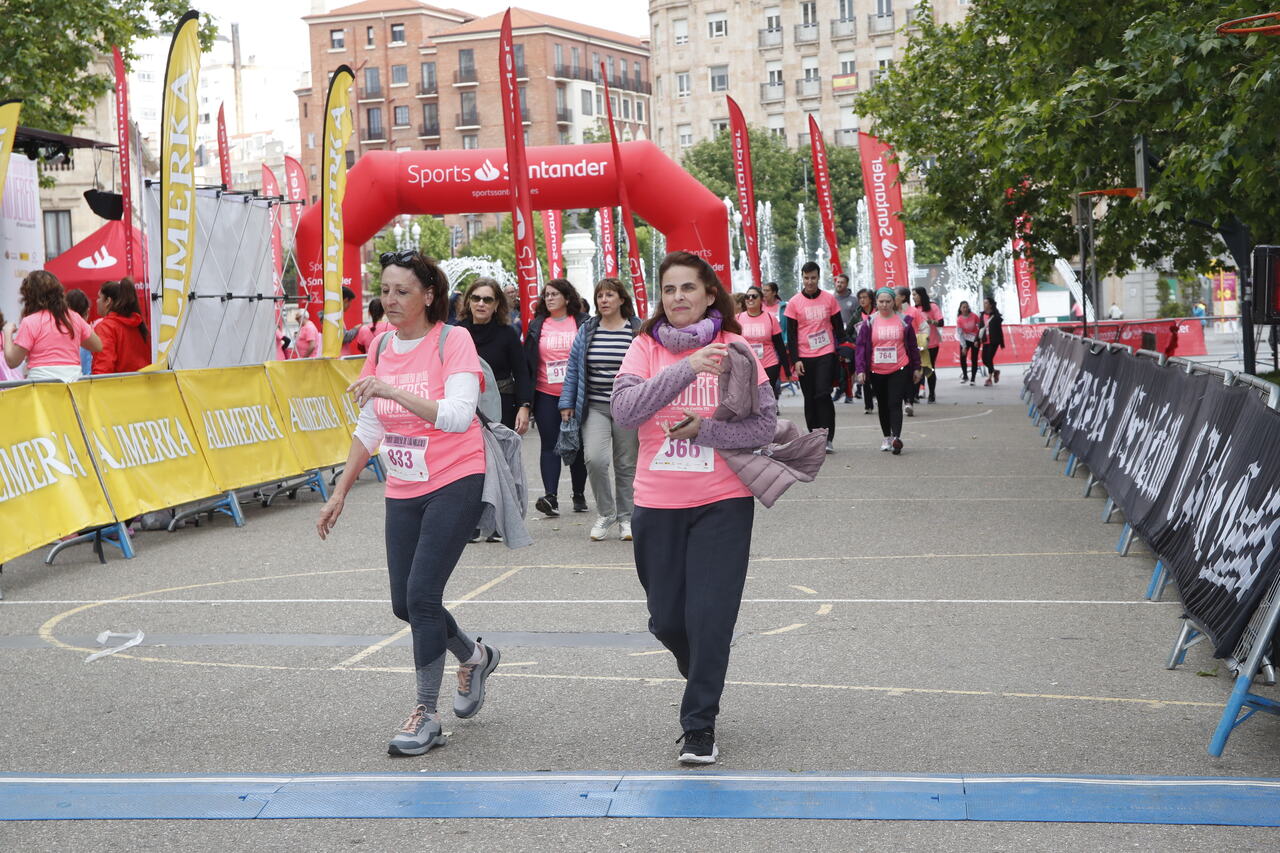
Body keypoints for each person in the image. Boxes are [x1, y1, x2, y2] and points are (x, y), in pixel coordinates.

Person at [316, 250, 500, 757]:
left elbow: (459, 416)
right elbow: (370, 426)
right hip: (403, 483)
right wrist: (339, 493)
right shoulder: (378, 345)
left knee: (422, 595)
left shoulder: (452, 339)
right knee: (405, 604)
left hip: (455, 476)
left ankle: (426, 713)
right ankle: (473, 654)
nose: (390, 300)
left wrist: (392, 390)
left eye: (402, 291)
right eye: (385, 289)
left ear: (429, 295)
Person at [611, 250, 777, 765]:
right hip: (657, 503)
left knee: (710, 618)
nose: (678, 298)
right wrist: (685, 369)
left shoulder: (737, 348)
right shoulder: (644, 347)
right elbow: (625, 409)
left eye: (688, 288)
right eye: (668, 290)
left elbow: (762, 428)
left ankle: (699, 724)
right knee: (666, 621)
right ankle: (706, 670)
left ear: (709, 294)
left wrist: (704, 429)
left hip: (723, 502)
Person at [559, 278, 641, 541]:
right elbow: (574, 368)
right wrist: (567, 403)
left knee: (626, 464)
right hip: (594, 405)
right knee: (595, 459)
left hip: (628, 406)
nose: (603, 300)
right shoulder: (588, 329)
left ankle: (627, 517)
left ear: (621, 299)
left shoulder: (637, 329)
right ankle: (606, 513)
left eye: (609, 295)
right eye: (600, 296)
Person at [524, 278, 589, 517]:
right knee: (549, 445)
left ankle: (579, 493)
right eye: (546, 295)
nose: (549, 298)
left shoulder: (581, 322)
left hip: (577, 394)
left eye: (554, 294)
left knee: (578, 445)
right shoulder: (537, 325)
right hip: (545, 394)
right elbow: (529, 360)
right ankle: (550, 497)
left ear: (567, 297)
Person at [457, 277, 531, 434]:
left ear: (496, 304)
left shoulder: (508, 333)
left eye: (488, 300)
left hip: (501, 406)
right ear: (469, 302)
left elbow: (521, 372)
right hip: (464, 405)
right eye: (476, 298)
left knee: (499, 457)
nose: (481, 303)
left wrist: (524, 406)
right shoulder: (457, 332)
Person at [854, 287, 922, 455]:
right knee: (883, 405)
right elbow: (861, 348)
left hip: (899, 367)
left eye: (888, 301)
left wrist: (917, 368)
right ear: (876, 302)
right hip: (877, 370)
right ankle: (887, 437)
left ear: (894, 302)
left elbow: (912, 347)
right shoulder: (869, 322)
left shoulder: (905, 320)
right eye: (881, 301)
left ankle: (896, 438)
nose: (884, 305)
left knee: (895, 402)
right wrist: (861, 369)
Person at [785, 261, 843, 453]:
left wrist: (842, 352)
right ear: (802, 278)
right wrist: (796, 360)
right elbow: (791, 335)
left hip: (825, 353)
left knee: (823, 393)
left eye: (813, 278)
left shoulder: (829, 299)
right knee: (809, 397)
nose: (810, 281)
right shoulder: (794, 302)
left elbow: (838, 328)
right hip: (804, 356)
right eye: (806, 278)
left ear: (819, 278)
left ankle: (827, 437)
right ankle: (813, 436)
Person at [3, 271, 101, 382]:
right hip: (72, 386)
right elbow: (97, 346)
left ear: (29, 296)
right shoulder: (74, 318)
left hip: (42, 388)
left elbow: (12, 361)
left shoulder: (30, 322)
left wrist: (7, 333)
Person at [736, 284, 789, 397]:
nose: (750, 299)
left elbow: (779, 345)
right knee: (749, 398)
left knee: (765, 399)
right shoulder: (738, 318)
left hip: (769, 365)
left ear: (761, 299)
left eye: (754, 296)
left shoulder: (770, 318)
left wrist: (787, 369)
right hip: (746, 366)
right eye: (747, 296)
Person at [91, 279, 150, 374]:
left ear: (108, 301)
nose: (97, 301)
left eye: (99, 297)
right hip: (144, 385)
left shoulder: (106, 327)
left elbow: (104, 368)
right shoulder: (139, 325)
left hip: (117, 386)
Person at [846, 288, 876, 414]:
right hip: (862, 350)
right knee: (865, 377)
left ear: (871, 299)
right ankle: (868, 405)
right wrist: (855, 341)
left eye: (865, 297)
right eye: (860, 298)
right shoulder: (857, 314)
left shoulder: (878, 312)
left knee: (877, 378)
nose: (862, 300)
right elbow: (848, 331)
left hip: (877, 350)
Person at [913, 287, 944, 404]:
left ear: (921, 295)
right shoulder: (913, 309)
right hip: (917, 344)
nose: (913, 297)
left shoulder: (932, 307)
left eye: (915, 295)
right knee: (917, 368)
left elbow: (941, 322)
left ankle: (931, 394)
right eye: (912, 295)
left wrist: (931, 321)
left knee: (929, 369)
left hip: (931, 343)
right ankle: (915, 394)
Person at [832, 274, 857, 403]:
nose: (839, 284)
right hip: (835, 336)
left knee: (849, 364)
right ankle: (842, 389)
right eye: (837, 282)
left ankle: (849, 390)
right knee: (840, 363)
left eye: (842, 282)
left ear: (847, 284)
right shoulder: (831, 299)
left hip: (850, 337)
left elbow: (858, 317)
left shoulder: (854, 300)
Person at [979, 296, 1005, 386]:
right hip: (985, 340)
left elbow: (999, 327)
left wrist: (1001, 342)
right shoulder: (982, 315)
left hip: (994, 341)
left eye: (986, 303)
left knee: (989, 358)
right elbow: (980, 328)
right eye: (984, 303)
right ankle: (995, 371)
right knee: (984, 360)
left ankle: (989, 379)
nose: (984, 305)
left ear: (990, 305)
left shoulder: (995, 315)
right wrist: (976, 340)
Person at [954, 300, 981, 386]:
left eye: (966, 307)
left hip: (975, 339)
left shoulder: (974, 316)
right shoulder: (959, 319)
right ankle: (965, 376)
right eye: (963, 307)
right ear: (960, 309)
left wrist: (977, 339)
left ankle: (973, 379)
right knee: (962, 357)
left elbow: (981, 328)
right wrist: (964, 346)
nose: (965, 309)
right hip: (965, 339)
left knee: (974, 359)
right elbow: (960, 333)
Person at [340, 285, 362, 355]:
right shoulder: (336, 317)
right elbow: (344, 338)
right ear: (346, 300)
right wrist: (356, 329)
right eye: (350, 302)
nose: (350, 305)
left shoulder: (334, 315)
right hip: (339, 359)